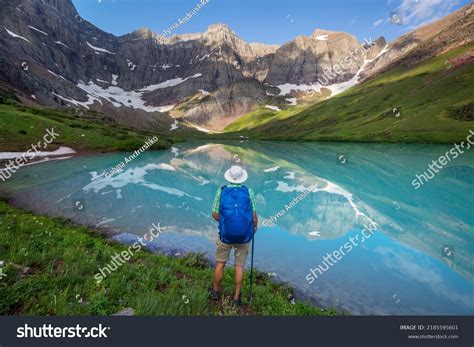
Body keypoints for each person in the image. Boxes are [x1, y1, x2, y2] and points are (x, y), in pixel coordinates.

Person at [209, 165, 257, 306]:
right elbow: (254, 217)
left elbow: (215, 214)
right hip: (244, 236)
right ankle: (236, 298)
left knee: (220, 264)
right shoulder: (249, 191)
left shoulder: (221, 191)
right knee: (239, 266)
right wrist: (251, 229)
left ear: (229, 176)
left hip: (225, 235)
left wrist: (226, 221)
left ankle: (215, 292)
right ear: (242, 177)